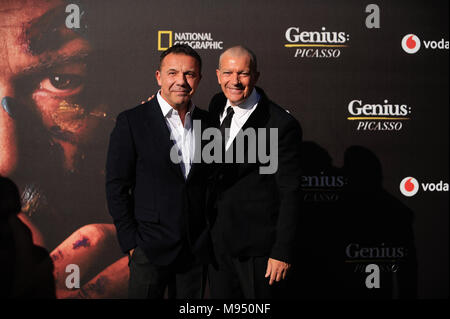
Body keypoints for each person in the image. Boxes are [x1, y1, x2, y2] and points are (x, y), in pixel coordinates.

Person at [106, 44, 212, 299]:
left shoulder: (210, 124)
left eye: (189, 74)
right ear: (159, 77)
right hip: (149, 248)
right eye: (173, 73)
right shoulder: (132, 121)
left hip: (195, 251)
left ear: (199, 79)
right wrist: (131, 242)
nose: (181, 81)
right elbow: (116, 186)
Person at [207, 45, 303, 298]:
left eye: (243, 74)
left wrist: (282, 251)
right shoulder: (215, 106)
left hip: (258, 252)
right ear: (218, 75)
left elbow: (290, 192)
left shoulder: (281, 124)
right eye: (228, 73)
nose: (234, 81)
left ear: (256, 77)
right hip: (217, 248)